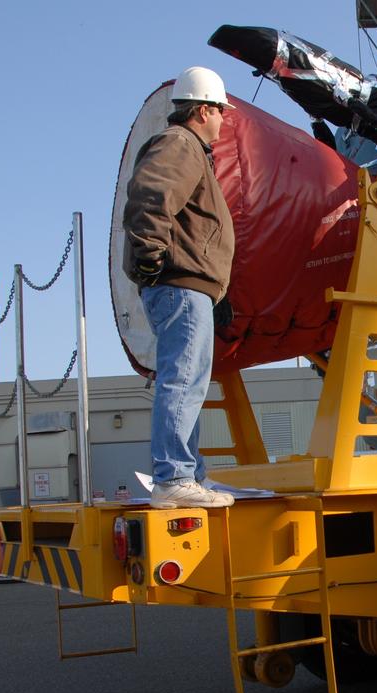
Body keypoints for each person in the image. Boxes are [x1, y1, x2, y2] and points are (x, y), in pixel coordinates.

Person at [124, 67, 237, 509]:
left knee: (188, 380)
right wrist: (152, 253)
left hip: (188, 287)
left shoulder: (188, 148)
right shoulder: (180, 144)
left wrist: (216, 290)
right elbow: (151, 194)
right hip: (179, 286)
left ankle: (185, 476)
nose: (224, 121)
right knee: (183, 379)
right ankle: (173, 475)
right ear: (204, 109)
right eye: (221, 113)